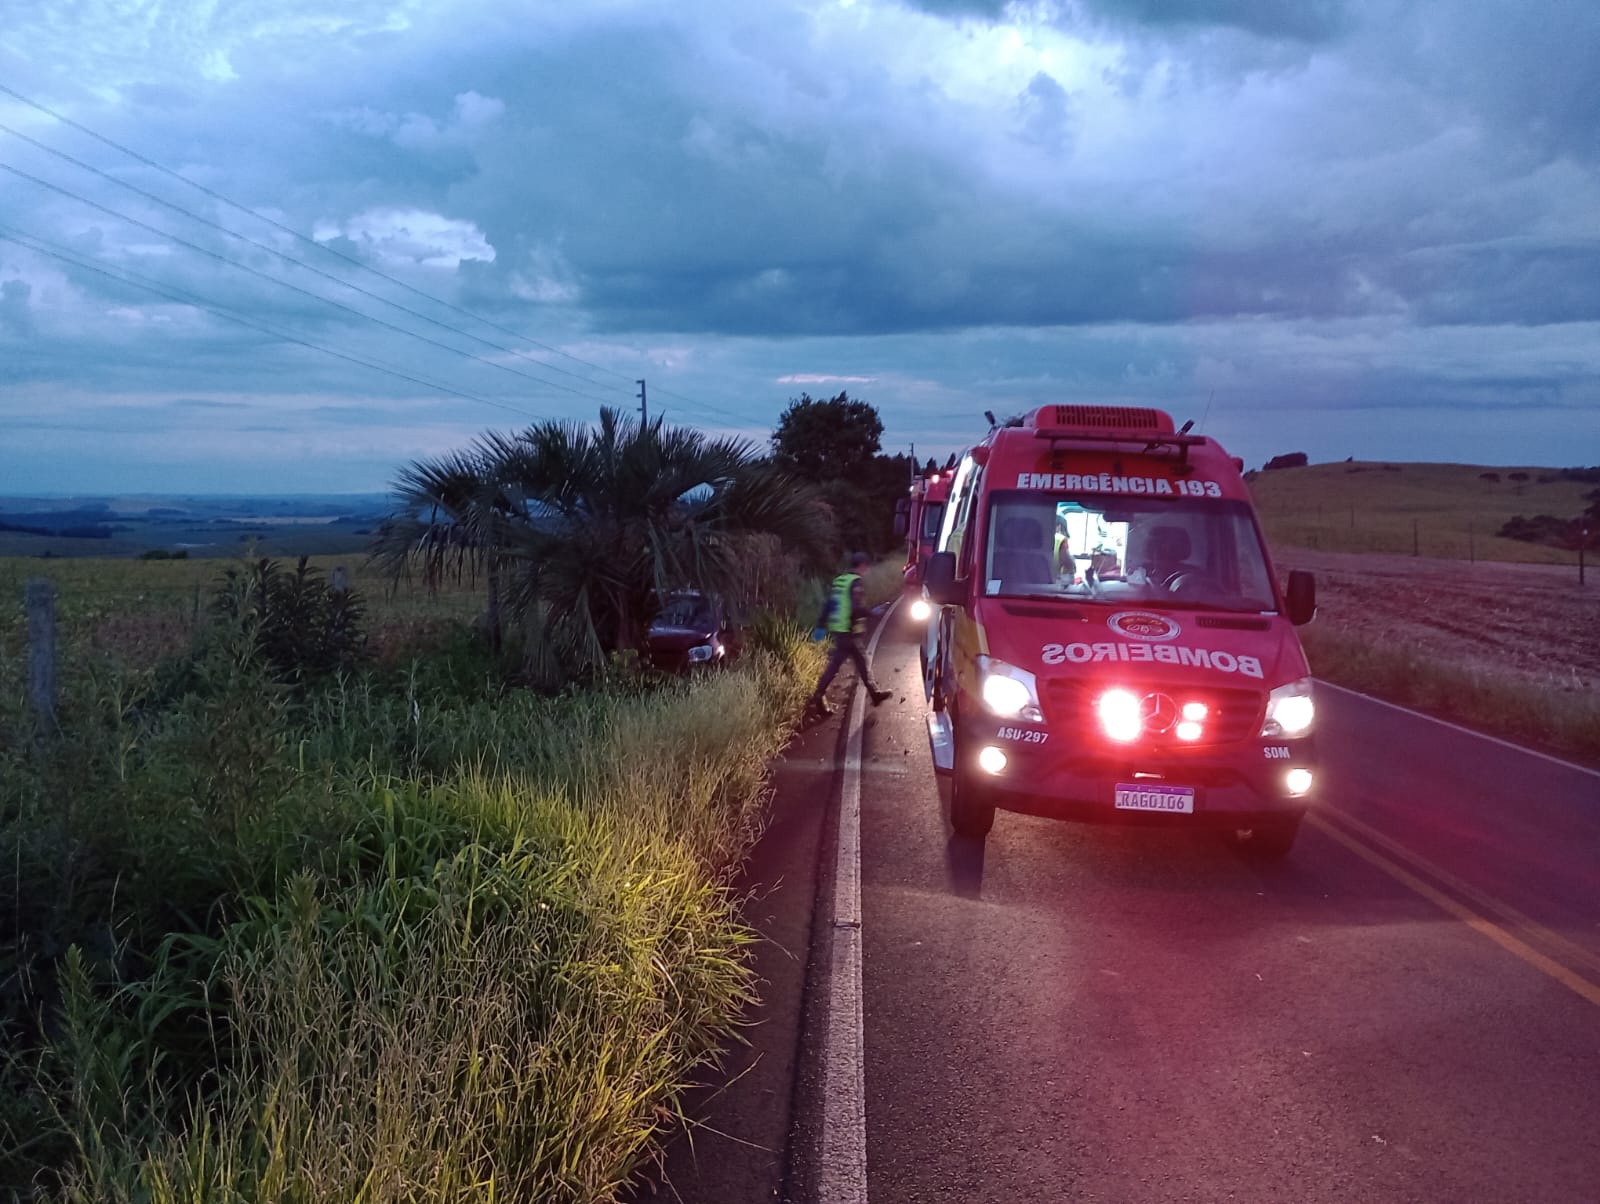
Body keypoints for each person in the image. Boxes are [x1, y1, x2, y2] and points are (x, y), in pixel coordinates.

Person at [805, 552, 892, 717]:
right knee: (843, 665)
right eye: (865, 566)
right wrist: (873, 613)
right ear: (862, 566)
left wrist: (821, 626)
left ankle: (874, 694)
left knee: (856, 663)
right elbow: (855, 608)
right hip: (849, 632)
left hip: (839, 630)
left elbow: (829, 604)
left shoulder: (840, 581)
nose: (866, 569)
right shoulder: (856, 583)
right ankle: (818, 697)